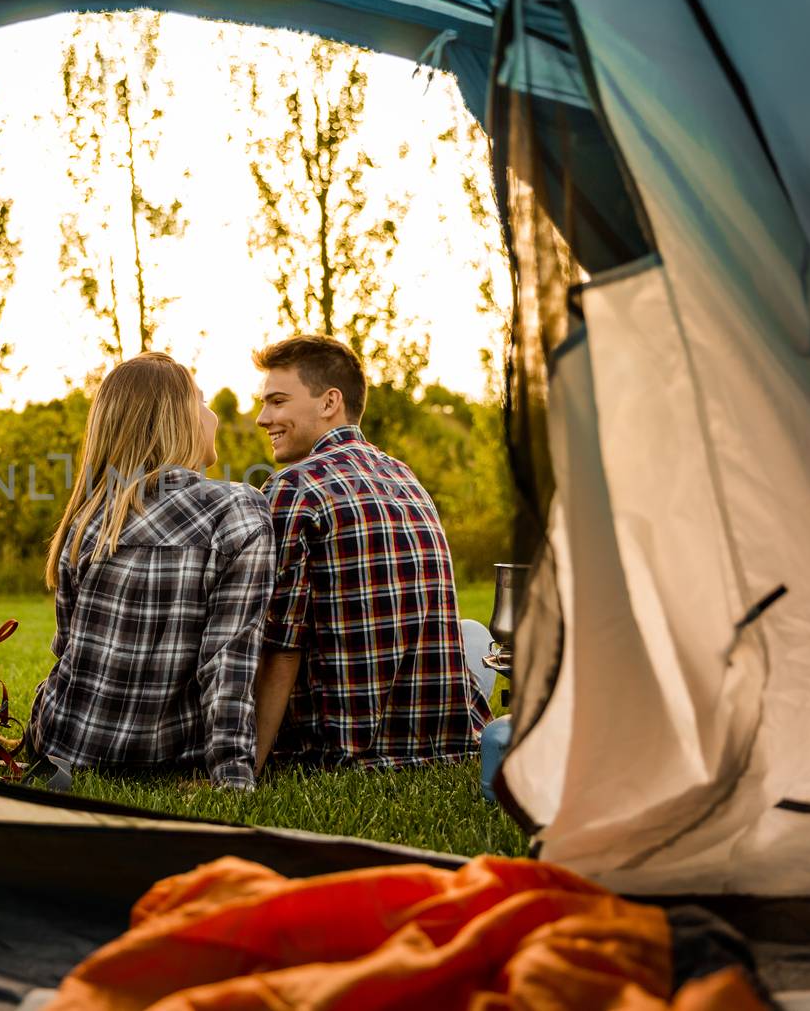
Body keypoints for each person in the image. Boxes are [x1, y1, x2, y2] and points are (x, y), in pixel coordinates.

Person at [27, 353, 275, 789]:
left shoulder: (90, 516)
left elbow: (68, 649)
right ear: (178, 418)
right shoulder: (239, 509)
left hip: (63, 745)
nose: (212, 415)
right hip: (163, 759)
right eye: (201, 400)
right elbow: (228, 663)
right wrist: (232, 779)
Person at [250, 335, 490, 773]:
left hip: (340, 752)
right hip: (445, 741)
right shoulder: (403, 474)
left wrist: (248, 766)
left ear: (329, 402)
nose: (263, 418)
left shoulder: (294, 487)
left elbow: (281, 647)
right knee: (470, 633)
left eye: (277, 401)